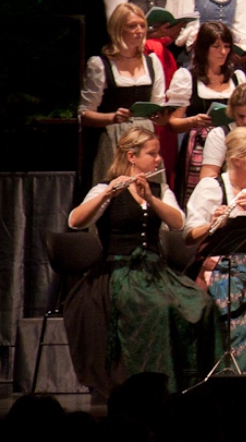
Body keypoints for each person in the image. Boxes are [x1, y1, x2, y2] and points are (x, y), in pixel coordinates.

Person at [65, 127, 224, 396]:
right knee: (155, 307)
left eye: (158, 153)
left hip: (154, 269)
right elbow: (75, 221)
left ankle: (193, 384)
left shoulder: (159, 189)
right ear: (132, 156)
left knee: (202, 304)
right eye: (152, 154)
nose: (158, 159)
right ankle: (146, 387)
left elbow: (177, 223)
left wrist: (150, 197)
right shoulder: (104, 189)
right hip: (119, 270)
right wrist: (107, 195)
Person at [183, 126, 246, 374]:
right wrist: (215, 224)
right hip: (222, 269)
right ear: (236, 160)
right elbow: (189, 236)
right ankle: (244, 373)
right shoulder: (211, 187)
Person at [80, 4, 180, 187]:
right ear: (117, 29)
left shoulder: (152, 62)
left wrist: (161, 117)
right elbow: (85, 114)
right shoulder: (101, 64)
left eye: (142, 25)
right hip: (115, 139)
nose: (139, 31)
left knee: (149, 191)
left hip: (146, 138)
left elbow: (157, 104)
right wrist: (112, 117)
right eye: (132, 26)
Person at [168, 21, 246, 198]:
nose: (223, 52)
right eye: (216, 46)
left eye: (227, 46)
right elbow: (173, 123)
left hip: (232, 144)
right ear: (204, 48)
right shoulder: (187, 77)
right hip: (199, 147)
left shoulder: (237, 77)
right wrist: (193, 121)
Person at [197, 82, 246, 183]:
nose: (245, 122)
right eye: (240, 116)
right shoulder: (220, 135)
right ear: (233, 111)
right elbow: (207, 178)